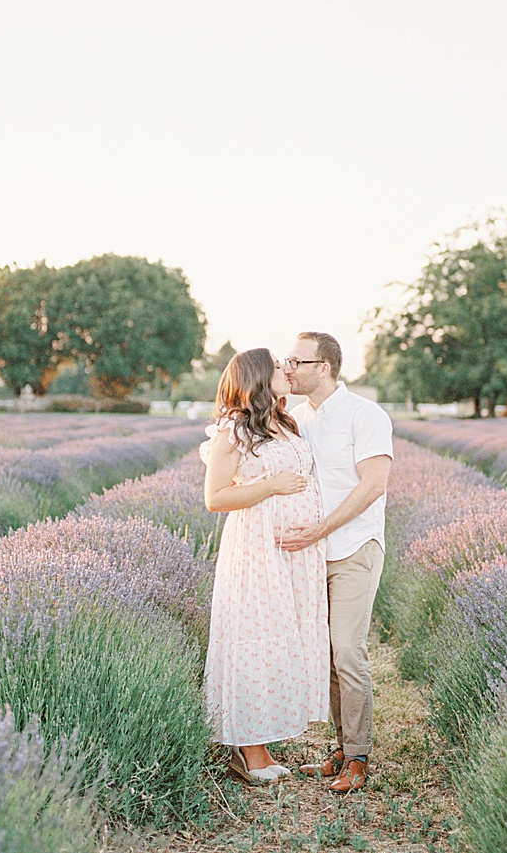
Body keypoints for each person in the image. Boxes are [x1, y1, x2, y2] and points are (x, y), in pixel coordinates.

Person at [201, 348, 331, 784]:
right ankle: (249, 750)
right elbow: (215, 498)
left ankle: (262, 741)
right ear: (258, 376)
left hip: (294, 552)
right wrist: (272, 486)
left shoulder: (284, 421)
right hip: (256, 550)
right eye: (277, 366)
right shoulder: (233, 432)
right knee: (257, 637)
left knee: (282, 636)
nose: (286, 370)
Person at [278, 331, 393, 794]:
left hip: (353, 546)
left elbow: (373, 485)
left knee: (348, 650)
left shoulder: (365, 414)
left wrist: (322, 528)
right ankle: (342, 750)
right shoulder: (297, 419)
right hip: (312, 554)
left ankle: (360, 757)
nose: (287, 368)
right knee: (325, 654)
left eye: (295, 361)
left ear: (322, 367)